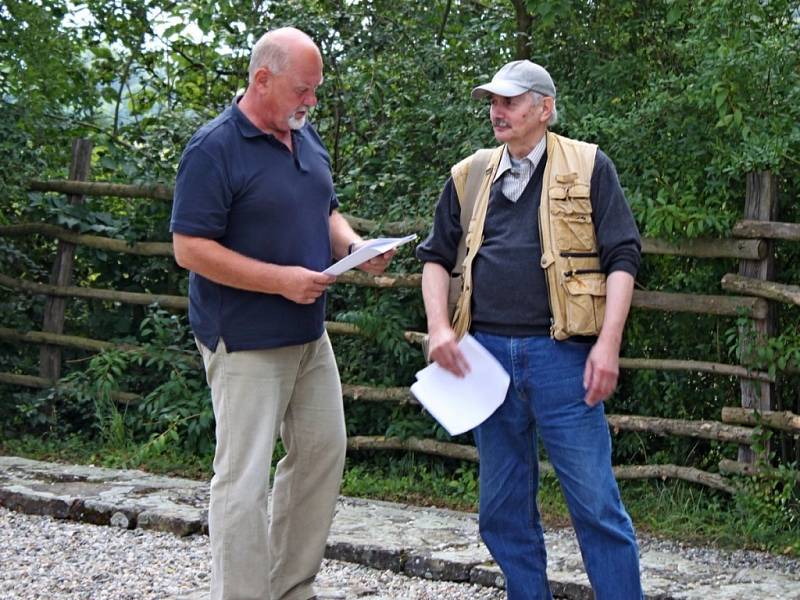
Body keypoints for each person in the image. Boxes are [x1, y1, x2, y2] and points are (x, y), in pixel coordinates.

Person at [170, 27, 393, 600]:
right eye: (302, 90)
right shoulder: (213, 148)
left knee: (322, 451)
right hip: (244, 337)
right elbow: (190, 248)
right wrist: (280, 282)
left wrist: (352, 247)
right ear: (261, 79)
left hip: (307, 333)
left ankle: (289, 588)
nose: (310, 102)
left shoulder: (302, 132)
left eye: (315, 91)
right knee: (243, 480)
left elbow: (326, 207)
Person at [416, 60, 643, 599]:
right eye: (493, 101)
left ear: (544, 109)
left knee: (595, 505)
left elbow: (623, 257)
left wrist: (607, 344)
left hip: (564, 358)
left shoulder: (589, 165)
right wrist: (438, 328)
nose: (498, 110)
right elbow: (434, 257)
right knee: (501, 508)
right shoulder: (469, 173)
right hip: (484, 358)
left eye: (510, 101)